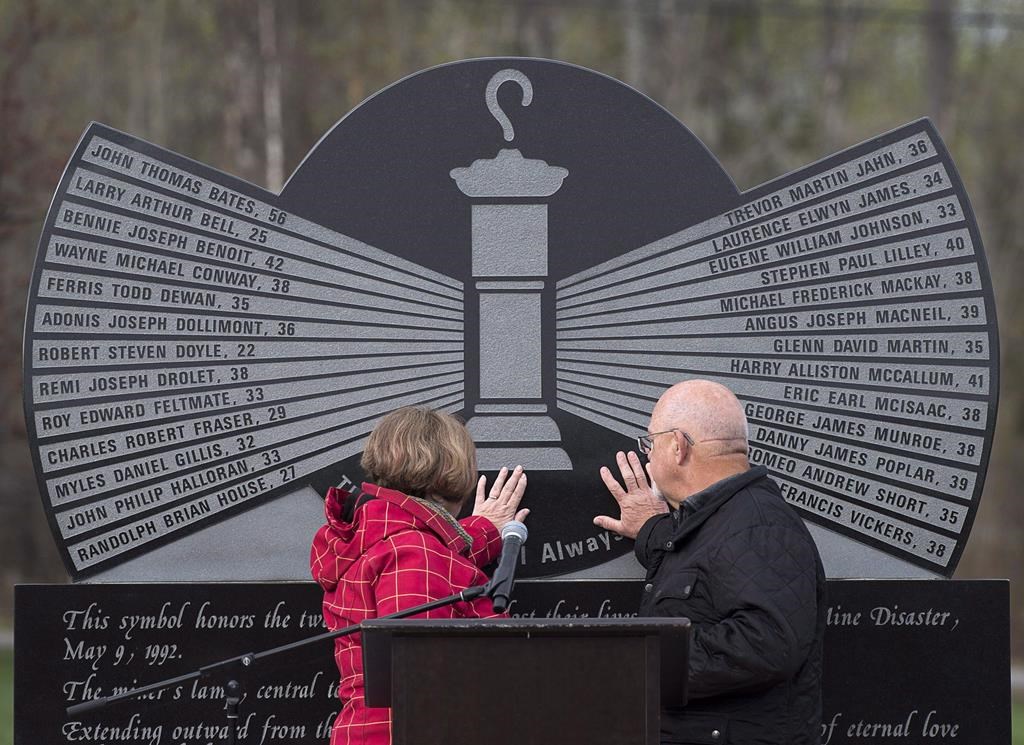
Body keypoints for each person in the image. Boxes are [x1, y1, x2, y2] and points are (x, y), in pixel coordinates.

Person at [594, 379, 826, 745]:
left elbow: (769, 642)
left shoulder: (759, 525)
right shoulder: (729, 520)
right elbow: (703, 564)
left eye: (650, 444)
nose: (648, 458)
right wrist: (653, 529)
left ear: (678, 447)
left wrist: (648, 662)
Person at [310, 406, 529, 745]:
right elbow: (422, 679)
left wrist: (482, 530)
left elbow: (432, 562)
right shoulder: (414, 552)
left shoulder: (379, 536)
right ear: (450, 470)